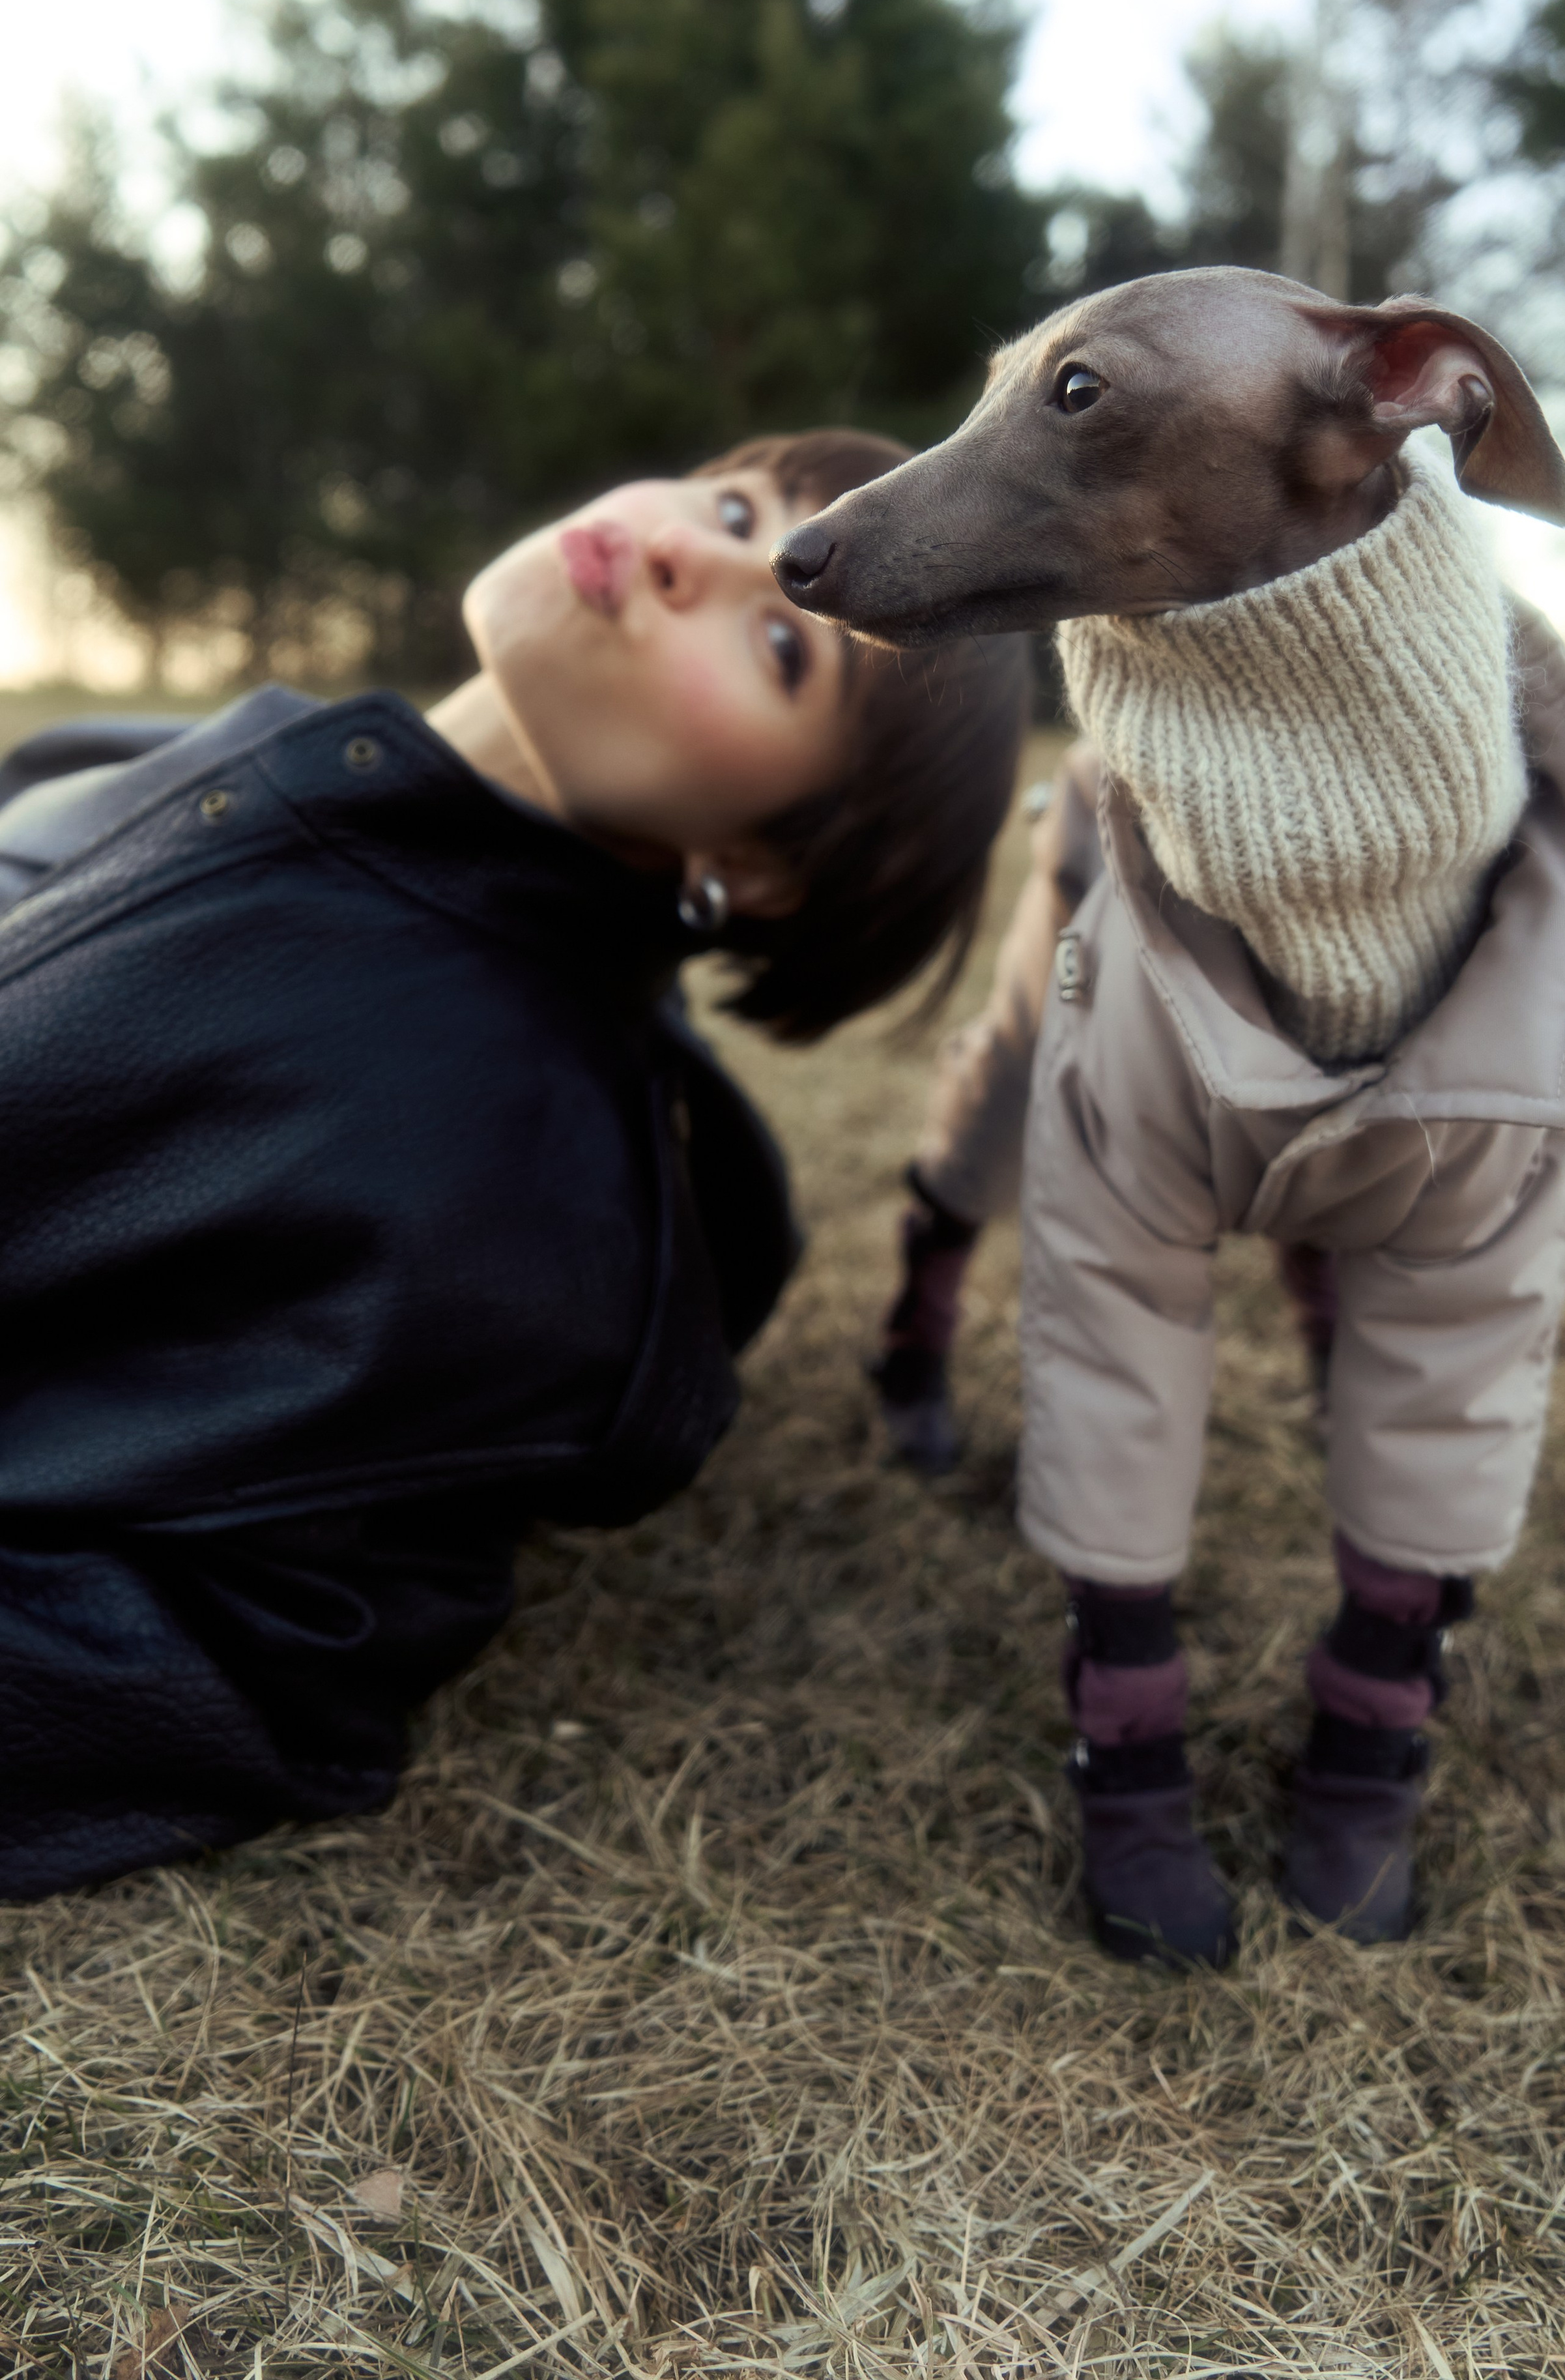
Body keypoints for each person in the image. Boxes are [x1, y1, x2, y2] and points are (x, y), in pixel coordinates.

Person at [0, 428, 1029, 1902]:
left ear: (765, 873)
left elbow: (251, 1655)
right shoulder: (252, 745)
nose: (685, 545)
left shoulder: (508, 1211)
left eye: (780, 645)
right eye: (741, 503)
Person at [871, 740, 1338, 1473]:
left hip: (1318, 825)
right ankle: (914, 1342)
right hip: (1133, 788)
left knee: (1313, 1107)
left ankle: (1339, 1370)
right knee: (1029, 1057)